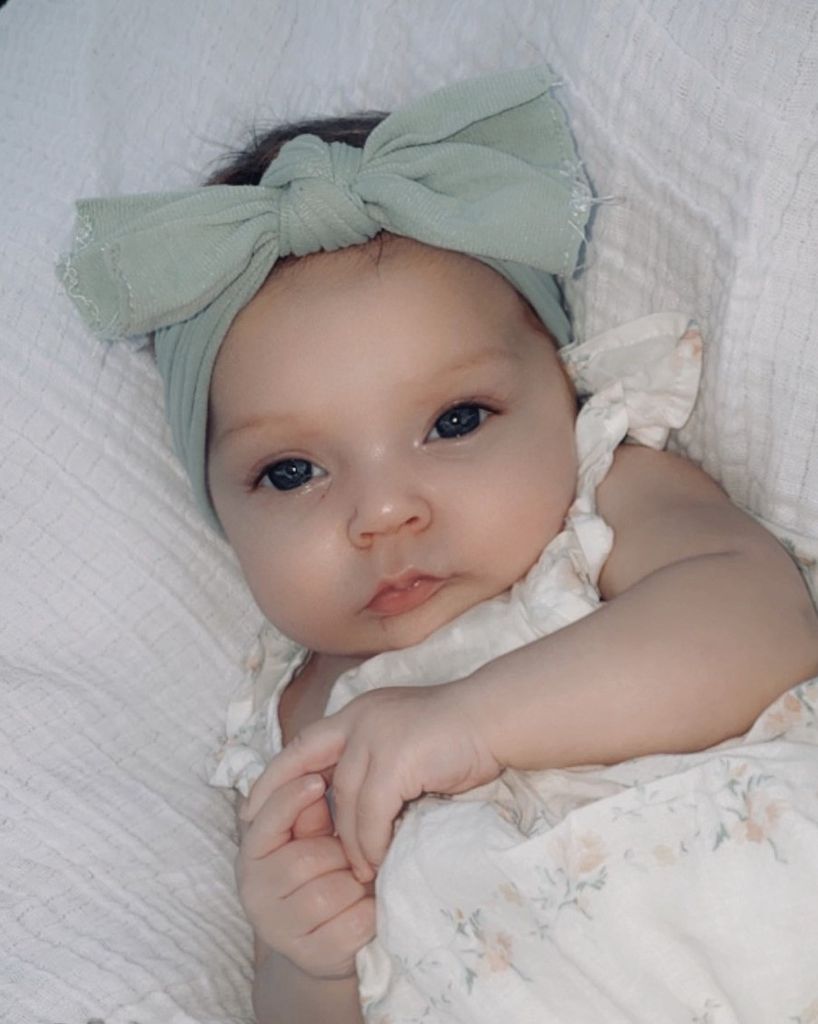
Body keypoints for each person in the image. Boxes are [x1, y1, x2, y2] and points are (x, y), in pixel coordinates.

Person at [59, 68, 818, 1024]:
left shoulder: (600, 502)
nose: (384, 513)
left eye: (455, 421)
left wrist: (473, 721)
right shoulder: (295, 729)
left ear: (563, 392)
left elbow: (764, 620)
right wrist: (304, 963)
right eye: (292, 472)